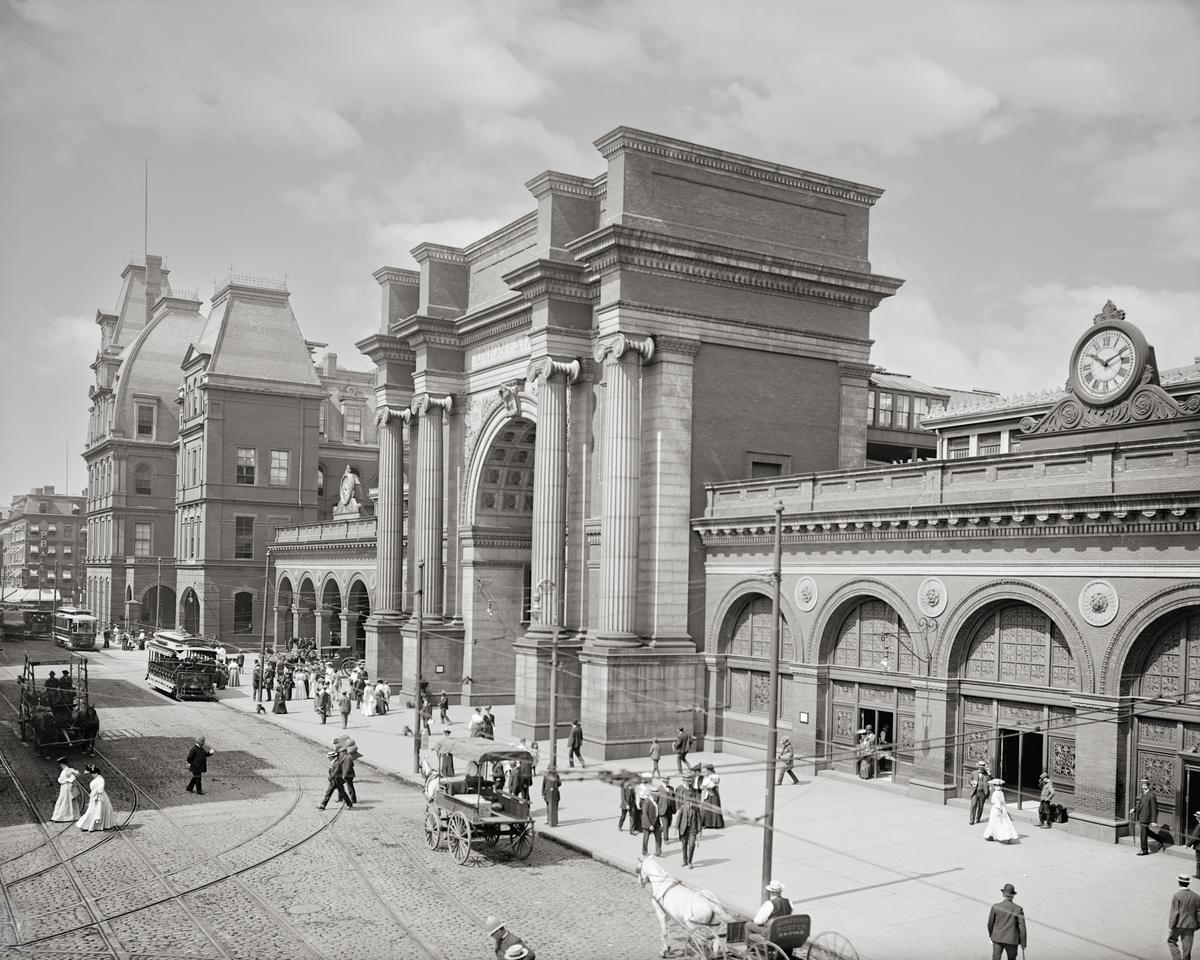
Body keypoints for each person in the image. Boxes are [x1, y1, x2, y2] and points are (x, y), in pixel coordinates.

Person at [987, 883, 1027, 960]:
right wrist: (1023, 943)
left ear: (1003, 894)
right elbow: (1022, 927)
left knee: (996, 958)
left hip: (997, 938)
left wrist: (991, 935)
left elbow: (990, 924)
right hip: (1012, 940)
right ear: (1013, 895)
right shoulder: (1018, 909)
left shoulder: (995, 907)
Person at [675, 774, 703, 869]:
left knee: (691, 845)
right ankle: (684, 860)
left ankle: (690, 862)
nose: (689, 803)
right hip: (684, 829)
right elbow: (679, 818)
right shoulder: (683, 808)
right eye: (687, 801)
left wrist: (700, 831)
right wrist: (676, 828)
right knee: (683, 845)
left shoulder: (696, 808)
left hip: (692, 830)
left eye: (690, 801)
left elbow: (699, 819)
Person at [1169, 874, 1200, 960]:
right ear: (1188, 884)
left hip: (1179, 923)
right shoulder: (1196, 896)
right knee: (1187, 946)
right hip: (1191, 924)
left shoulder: (1177, 896)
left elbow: (1175, 912)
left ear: (1179, 883)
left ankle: (1177, 958)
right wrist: (1198, 924)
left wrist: (1171, 926)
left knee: (1171, 940)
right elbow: (1199, 912)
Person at [77, 765, 115, 832]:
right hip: (95, 796)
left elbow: (100, 789)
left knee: (96, 810)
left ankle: (95, 826)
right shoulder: (97, 779)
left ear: (97, 773)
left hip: (99, 797)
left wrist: (96, 792)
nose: (92, 775)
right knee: (92, 810)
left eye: (93, 773)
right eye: (92, 773)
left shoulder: (100, 780)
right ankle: (87, 825)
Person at [1133, 777, 1164, 855]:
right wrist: (1134, 809)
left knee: (1143, 833)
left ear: (1148, 786)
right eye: (1142, 785)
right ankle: (1160, 839)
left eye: (1145, 785)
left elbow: (1154, 808)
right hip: (1142, 816)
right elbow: (1142, 805)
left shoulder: (1151, 795)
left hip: (1146, 818)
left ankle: (1144, 850)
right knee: (1147, 832)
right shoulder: (1144, 794)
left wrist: (1154, 821)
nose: (1143, 787)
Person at [983, 779, 1019, 844]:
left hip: (996, 809)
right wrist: (1003, 809)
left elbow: (996, 803)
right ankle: (996, 835)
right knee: (1003, 822)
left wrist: (999, 810)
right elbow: (1003, 802)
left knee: (994, 822)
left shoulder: (995, 793)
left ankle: (991, 835)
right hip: (1002, 808)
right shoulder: (1001, 792)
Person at [51, 757, 83, 822]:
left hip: (66, 788)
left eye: (61, 764)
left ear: (64, 764)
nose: (60, 766)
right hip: (63, 788)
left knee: (64, 801)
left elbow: (75, 776)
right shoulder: (65, 770)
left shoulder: (69, 770)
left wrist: (69, 779)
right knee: (63, 801)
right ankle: (60, 816)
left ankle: (62, 817)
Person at [640, 775, 663, 857]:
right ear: (653, 794)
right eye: (656, 794)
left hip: (656, 822)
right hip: (648, 824)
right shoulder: (647, 802)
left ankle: (658, 852)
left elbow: (657, 812)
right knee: (646, 838)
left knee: (658, 837)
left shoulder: (655, 801)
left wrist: (659, 823)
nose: (657, 796)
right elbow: (645, 815)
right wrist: (649, 825)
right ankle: (644, 851)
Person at [700, 764, 725, 829]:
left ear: (710, 770)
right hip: (707, 792)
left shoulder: (715, 776)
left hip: (713, 793)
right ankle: (705, 823)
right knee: (705, 808)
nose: (707, 771)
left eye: (707, 770)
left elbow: (716, 782)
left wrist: (711, 779)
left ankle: (716, 823)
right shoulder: (707, 776)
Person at [969, 759, 991, 825]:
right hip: (975, 791)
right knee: (973, 805)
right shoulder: (973, 773)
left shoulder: (986, 774)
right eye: (980, 767)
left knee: (981, 806)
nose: (981, 769)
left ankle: (978, 818)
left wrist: (989, 775)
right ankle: (972, 820)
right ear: (978, 767)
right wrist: (972, 782)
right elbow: (969, 779)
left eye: (983, 768)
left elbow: (992, 779)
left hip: (983, 792)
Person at [1188, 812, 1200, 880]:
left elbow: (1194, 836)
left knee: (1199, 862)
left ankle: (1198, 875)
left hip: (1199, 847)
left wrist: (1188, 844)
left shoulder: (1198, 826)